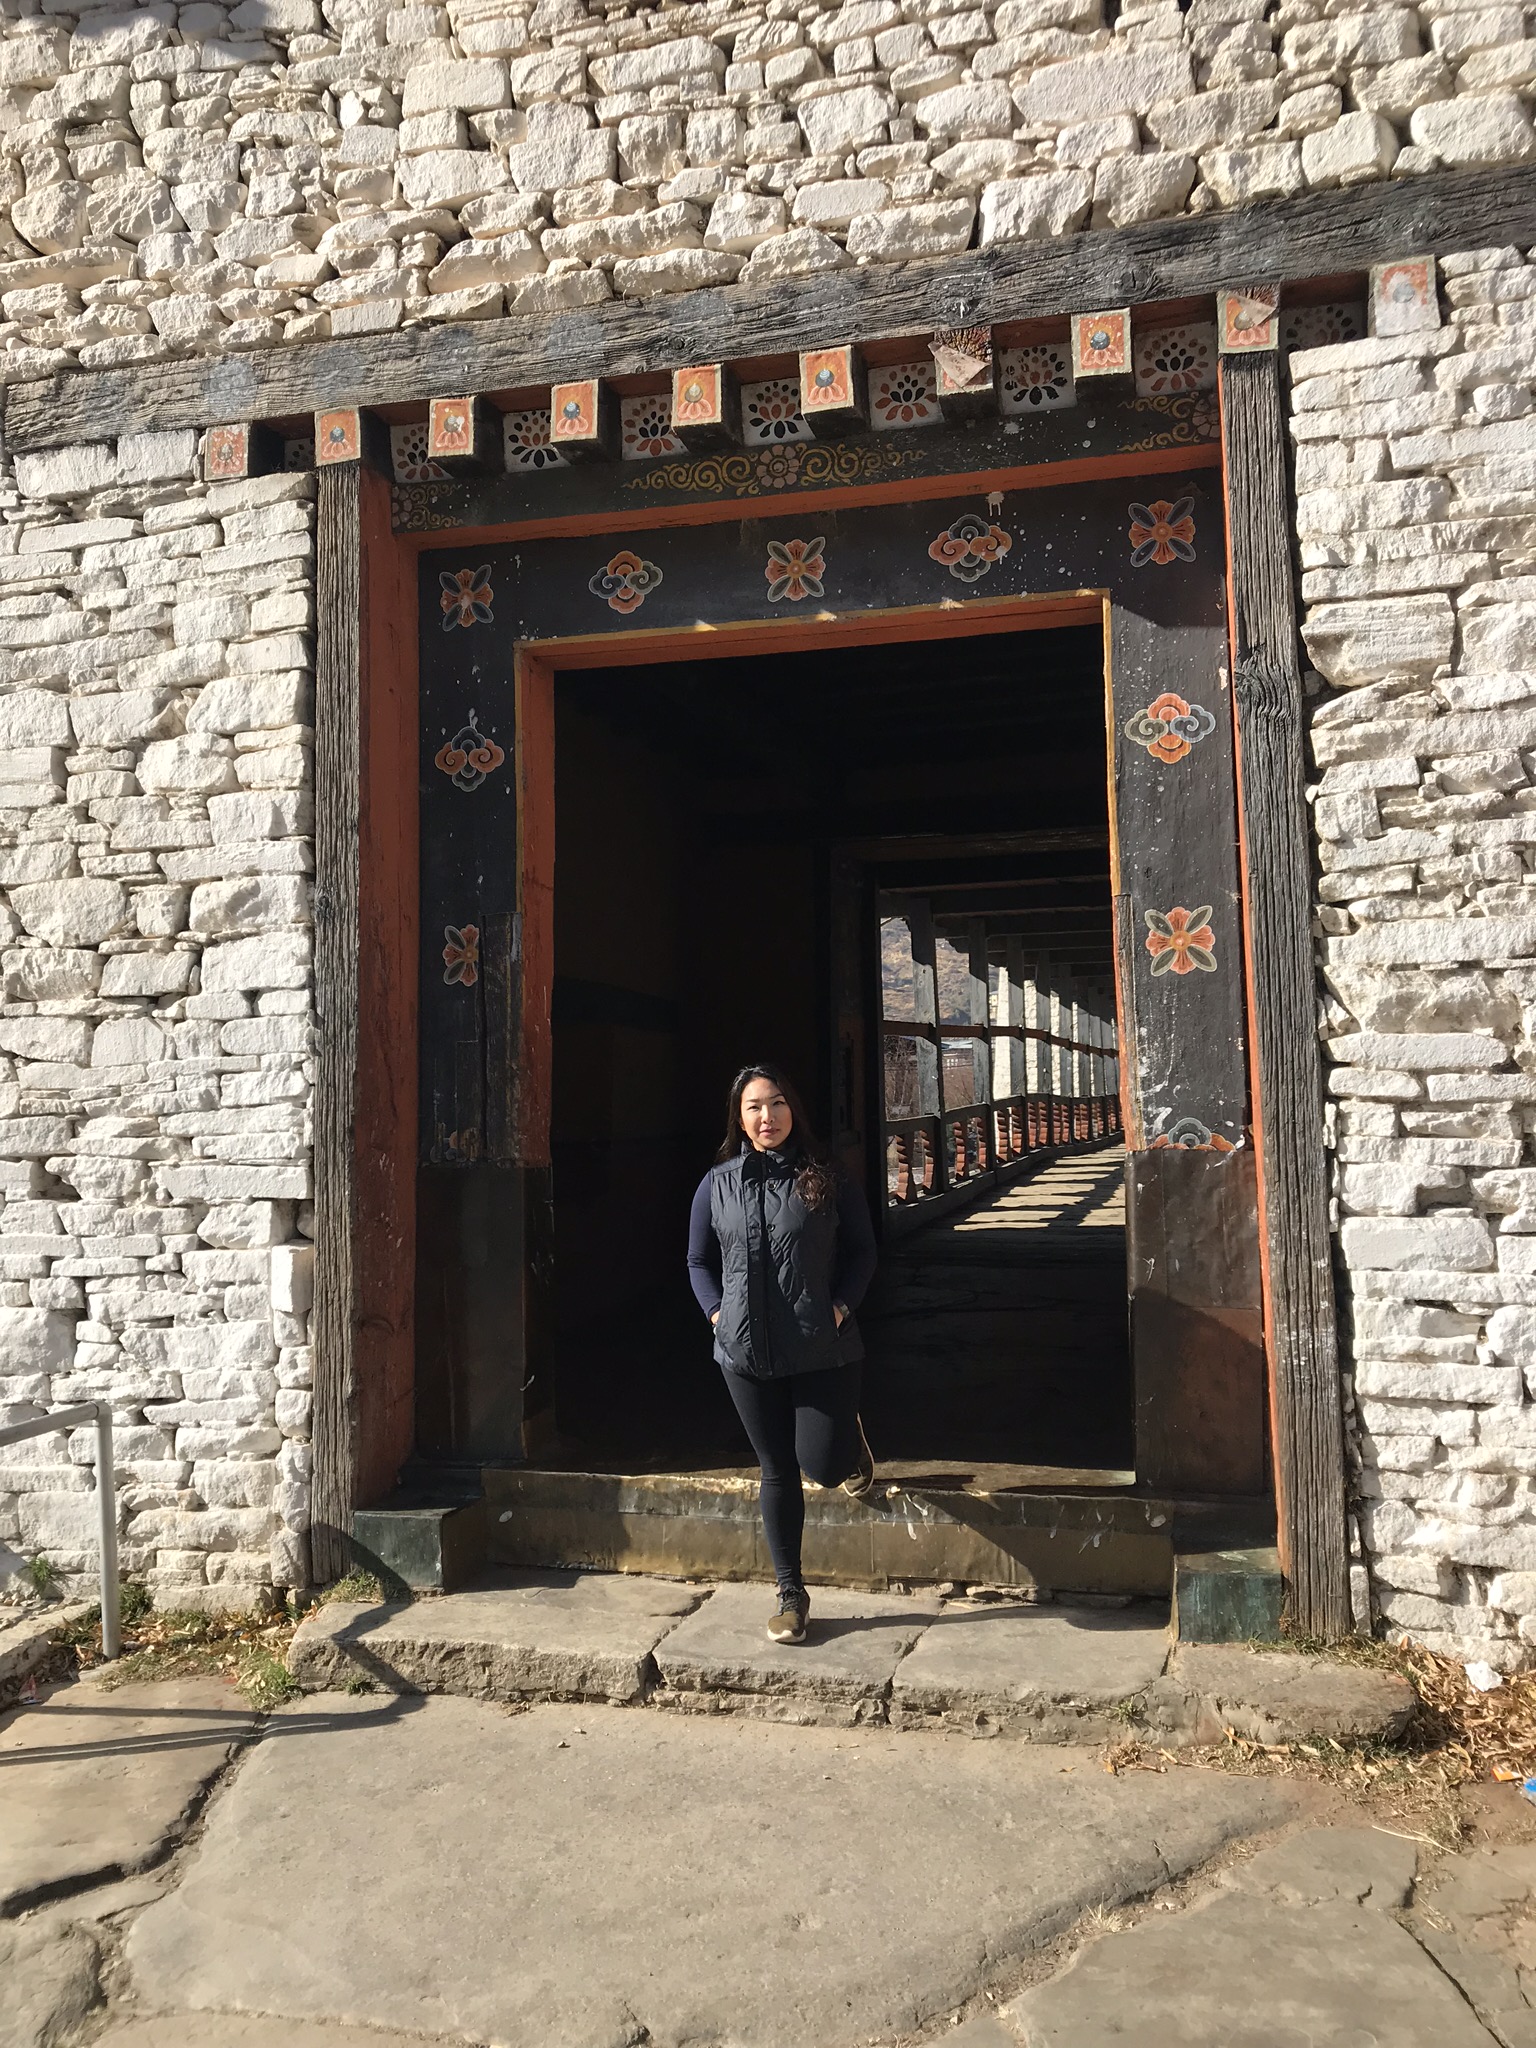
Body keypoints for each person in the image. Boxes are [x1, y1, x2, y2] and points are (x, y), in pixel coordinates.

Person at [687, 1062, 878, 1645]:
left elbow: (864, 1250)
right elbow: (697, 1261)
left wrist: (842, 1304)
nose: (766, 1117)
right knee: (777, 1469)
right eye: (753, 1107)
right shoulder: (716, 1183)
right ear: (738, 1118)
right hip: (744, 1352)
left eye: (775, 1104)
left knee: (819, 1466)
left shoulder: (827, 1176)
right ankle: (791, 1594)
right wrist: (718, 1315)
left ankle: (849, 1444)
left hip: (821, 1344)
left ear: (793, 1109)